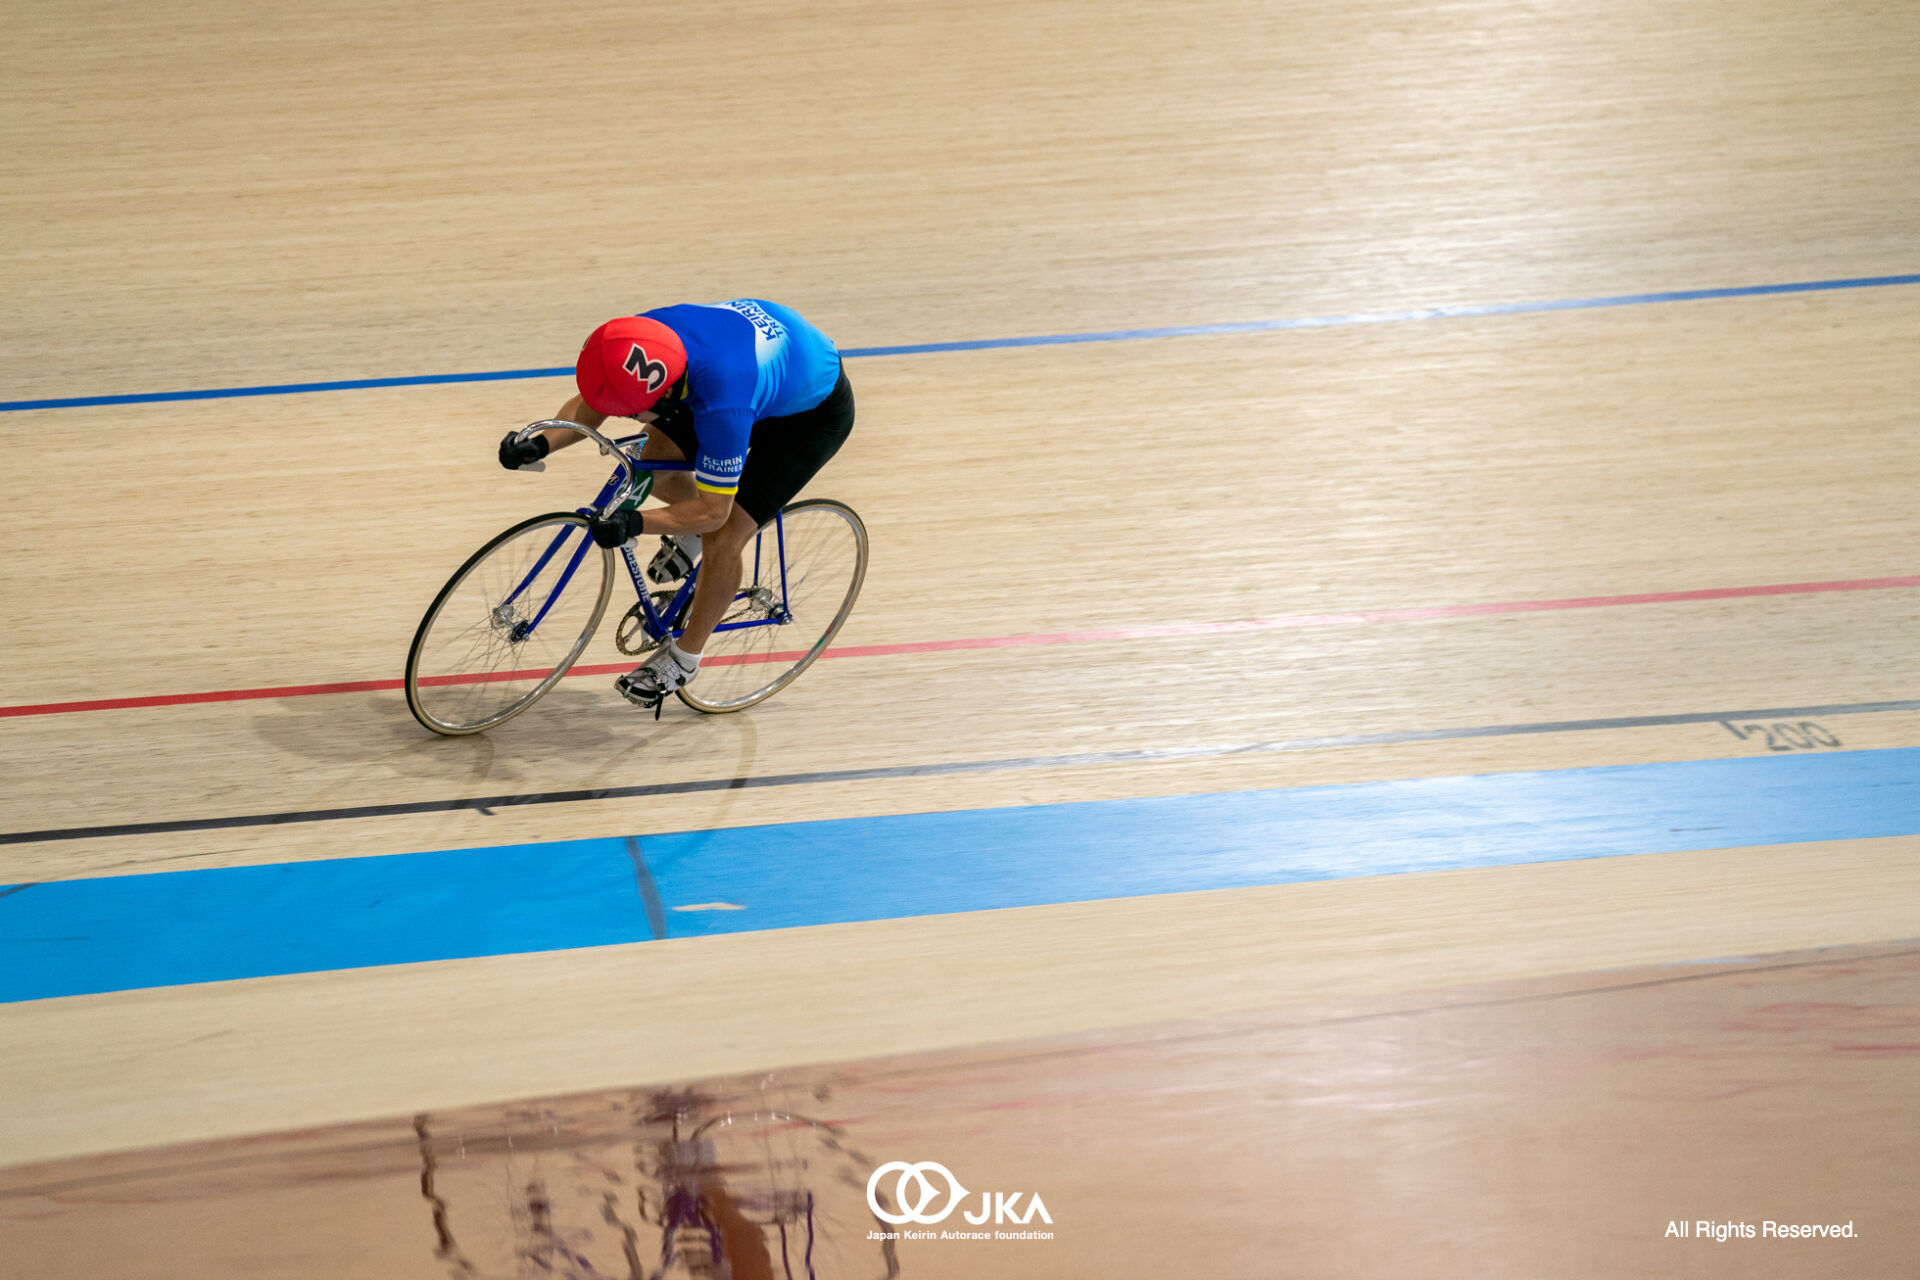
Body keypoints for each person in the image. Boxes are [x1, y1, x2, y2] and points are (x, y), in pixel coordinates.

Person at [499, 300, 853, 709]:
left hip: (807, 417)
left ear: (664, 392)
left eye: (631, 413)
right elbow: (597, 399)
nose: (628, 418)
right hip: (744, 371)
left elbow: (714, 512)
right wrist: (540, 445)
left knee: (724, 534)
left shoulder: (723, 405)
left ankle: (685, 659)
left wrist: (634, 523)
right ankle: (690, 534)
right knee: (652, 465)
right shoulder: (639, 339)